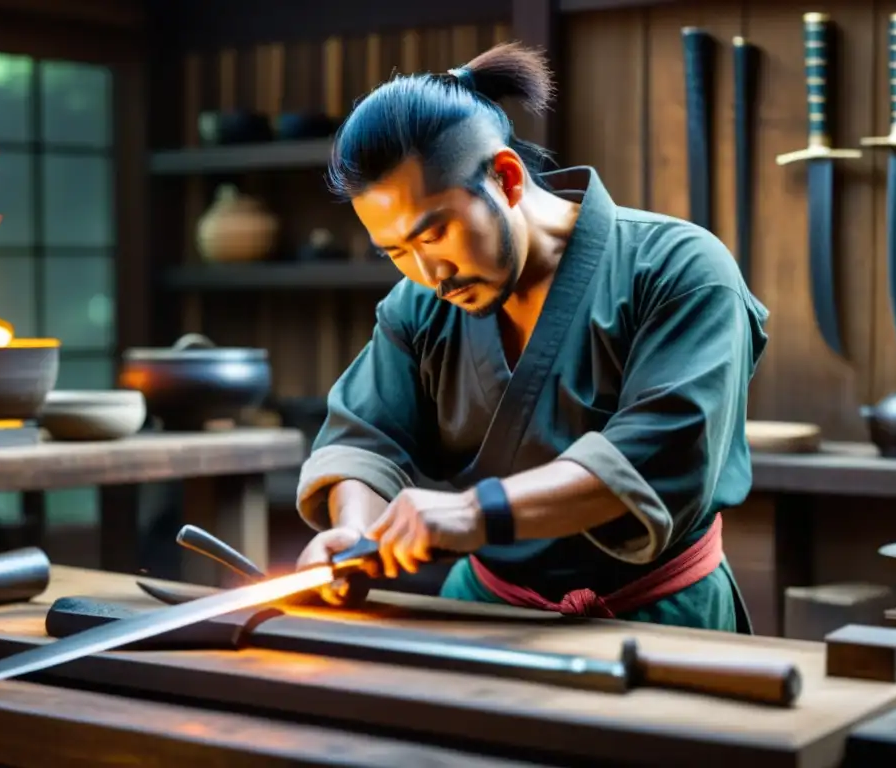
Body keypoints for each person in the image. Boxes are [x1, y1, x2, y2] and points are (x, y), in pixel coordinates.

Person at [293, 42, 769, 632]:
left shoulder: (679, 270)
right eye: (396, 252)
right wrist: (356, 535)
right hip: (484, 612)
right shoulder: (417, 306)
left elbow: (655, 456)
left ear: (507, 179)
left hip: (658, 618)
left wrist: (476, 512)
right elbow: (364, 441)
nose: (428, 273)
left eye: (435, 233)